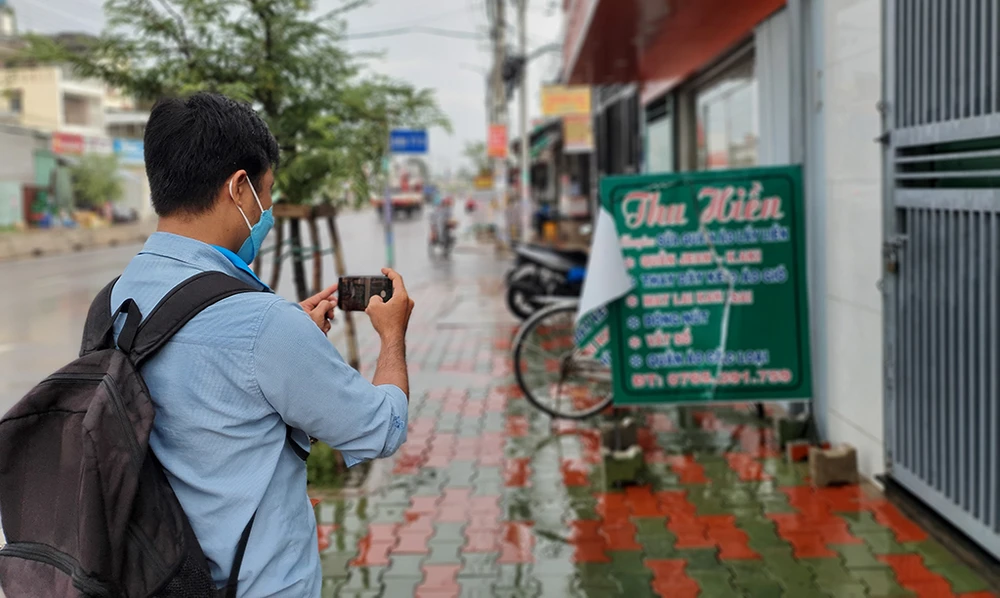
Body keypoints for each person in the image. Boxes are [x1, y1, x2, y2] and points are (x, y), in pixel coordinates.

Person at [110, 92, 413, 596]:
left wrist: (286, 345)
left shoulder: (118, 297)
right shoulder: (263, 326)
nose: (268, 209)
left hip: (152, 576)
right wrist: (393, 336)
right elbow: (382, 429)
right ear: (239, 188)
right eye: (267, 192)